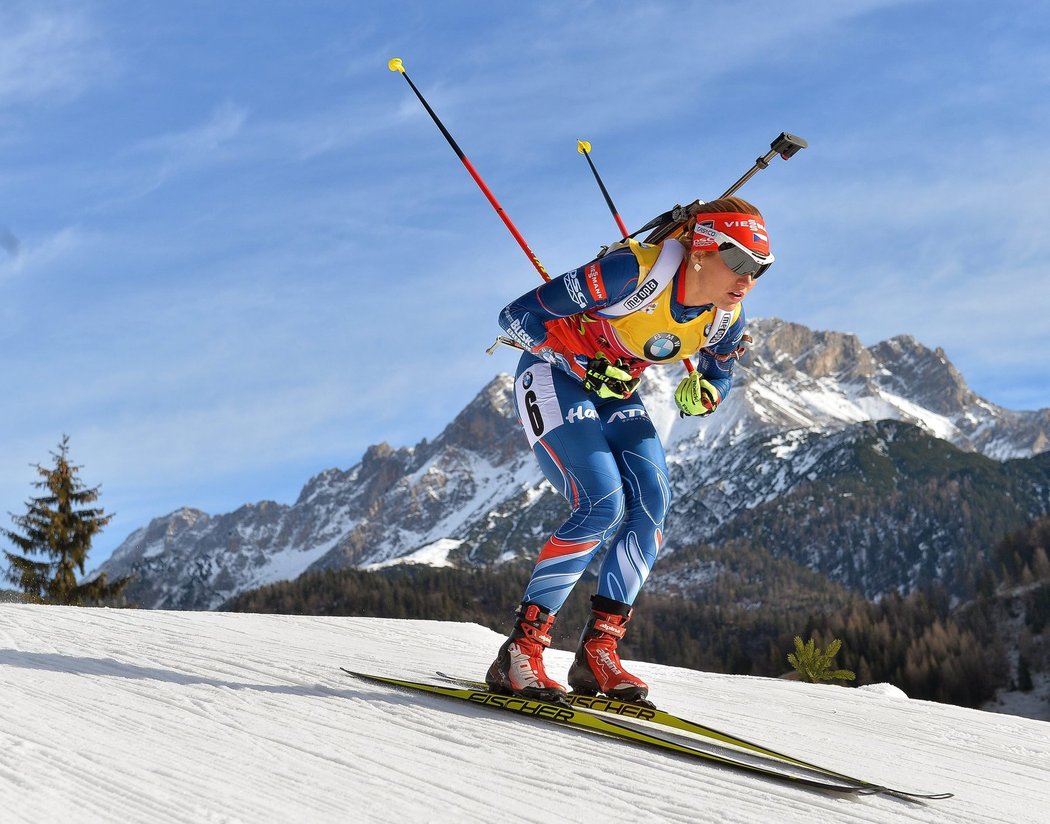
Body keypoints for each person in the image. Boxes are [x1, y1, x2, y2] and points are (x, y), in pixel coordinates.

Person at [485, 196, 774, 704]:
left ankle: (599, 653)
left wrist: (707, 392)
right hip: (553, 376)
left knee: (651, 506)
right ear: (701, 251)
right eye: (739, 261)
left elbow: (719, 371)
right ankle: (521, 651)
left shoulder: (724, 316)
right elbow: (514, 318)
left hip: (615, 389)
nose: (747, 279)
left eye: (760, 269)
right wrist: (573, 359)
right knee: (601, 503)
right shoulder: (629, 274)